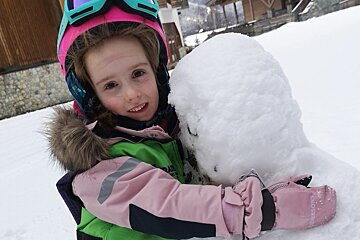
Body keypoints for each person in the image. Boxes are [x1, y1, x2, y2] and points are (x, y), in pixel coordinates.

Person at [48, 0, 337, 239]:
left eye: (138, 73)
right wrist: (263, 209)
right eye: (111, 85)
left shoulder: (162, 132)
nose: (132, 95)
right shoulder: (98, 168)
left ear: (158, 70)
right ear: (90, 95)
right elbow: (170, 205)